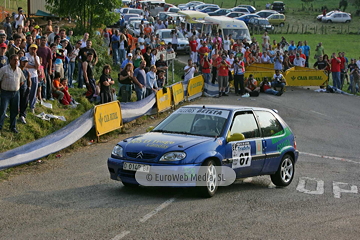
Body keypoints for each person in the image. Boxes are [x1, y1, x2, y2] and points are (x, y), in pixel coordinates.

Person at [0, 54, 26, 133]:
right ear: (10, 60)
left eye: (17, 60)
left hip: (15, 93)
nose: (16, 61)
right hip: (5, 92)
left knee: (14, 111)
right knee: (3, 110)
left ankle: (12, 127)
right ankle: (0, 126)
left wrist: (15, 87)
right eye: (14, 59)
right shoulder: (3, 69)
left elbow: (21, 81)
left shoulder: (19, 70)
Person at [25, 44, 40, 113]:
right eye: (32, 49)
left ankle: (32, 106)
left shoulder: (37, 57)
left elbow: (37, 67)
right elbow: (25, 64)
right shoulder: (26, 55)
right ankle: (24, 106)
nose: (33, 50)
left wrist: (34, 57)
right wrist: (33, 66)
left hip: (34, 75)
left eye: (35, 49)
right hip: (27, 75)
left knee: (34, 92)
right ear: (29, 49)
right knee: (26, 91)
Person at [18, 56, 31, 124]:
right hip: (17, 89)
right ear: (20, 61)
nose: (24, 63)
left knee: (25, 102)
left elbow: (29, 80)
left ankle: (22, 115)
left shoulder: (26, 71)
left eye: (26, 62)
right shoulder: (17, 69)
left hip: (25, 89)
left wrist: (29, 87)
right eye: (23, 62)